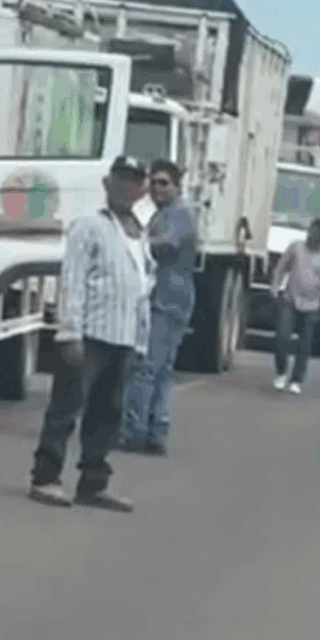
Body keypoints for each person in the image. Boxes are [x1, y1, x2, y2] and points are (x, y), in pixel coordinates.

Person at [29, 156, 154, 511]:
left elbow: (143, 289)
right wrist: (70, 333)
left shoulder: (139, 233)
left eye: (134, 181)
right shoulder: (89, 226)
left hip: (123, 336)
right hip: (90, 335)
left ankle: (94, 484)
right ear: (107, 184)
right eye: (121, 180)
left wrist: (141, 340)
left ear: (142, 189)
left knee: (107, 414)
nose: (127, 187)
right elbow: (72, 281)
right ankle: (46, 477)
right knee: (66, 409)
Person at [120, 159, 197, 454]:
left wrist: (135, 243)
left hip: (167, 298)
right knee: (161, 370)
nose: (156, 188)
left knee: (146, 368)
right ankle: (156, 431)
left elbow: (167, 244)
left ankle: (135, 430)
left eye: (163, 183)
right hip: (170, 297)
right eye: (152, 183)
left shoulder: (179, 213)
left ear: (177, 186)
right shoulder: (162, 214)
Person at [270, 217, 320, 395]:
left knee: (304, 344)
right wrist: (275, 286)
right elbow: (280, 268)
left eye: (318, 233)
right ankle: (281, 372)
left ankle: (296, 379)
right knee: (282, 336)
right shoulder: (296, 247)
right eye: (312, 231)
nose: (313, 235)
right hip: (290, 298)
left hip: (312, 304)